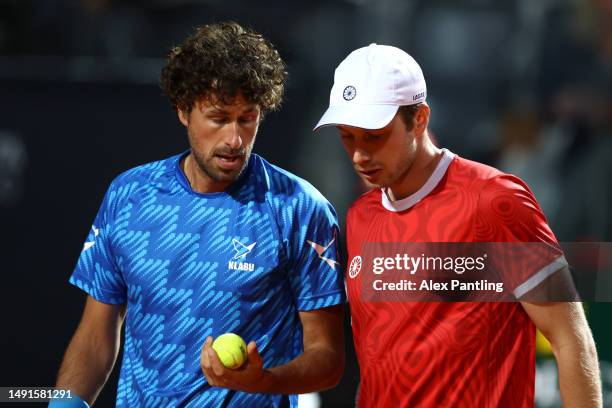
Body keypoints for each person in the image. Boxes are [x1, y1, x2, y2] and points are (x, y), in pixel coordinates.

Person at [50, 22, 345, 408]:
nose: (234, 139)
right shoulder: (128, 195)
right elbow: (96, 335)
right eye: (219, 117)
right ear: (183, 111)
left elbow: (328, 358)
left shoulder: (301, 208)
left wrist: (266, 381)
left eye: (247, 117)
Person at [314, 43, 602, 407]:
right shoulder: (359, 216)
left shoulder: (496, 201)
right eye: (347, 136)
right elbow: (379, 364)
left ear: (419, 119)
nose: (358, 155)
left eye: (374, 136)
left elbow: (570, 338)